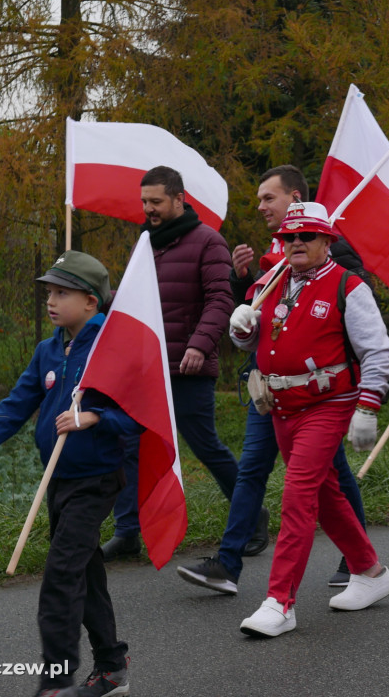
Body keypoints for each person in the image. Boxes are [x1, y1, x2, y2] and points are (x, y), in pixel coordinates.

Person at [0, 251, 137, 697]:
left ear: (90, 301)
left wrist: (95, 418)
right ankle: (112, 665)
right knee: (85, 572)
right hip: (58, 479)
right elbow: (13, 408)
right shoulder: (48, 349)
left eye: (61, 293)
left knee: (61, 575)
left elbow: (140, 415)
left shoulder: (110, 347)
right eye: (49, 292)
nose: (50, 301)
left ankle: (55, 682)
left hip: (97, 479)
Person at [176, 167, 368, 594]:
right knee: (253, 471)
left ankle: (352, 561)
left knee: (325, 480)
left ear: (294, 197)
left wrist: (364, 402)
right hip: (270, 387)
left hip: (320, 396)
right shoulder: (277, 252)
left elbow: (353, 312)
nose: (260, 207)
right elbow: (260, 319)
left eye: (268, 198)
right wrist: (243, 282)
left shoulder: (334, 252)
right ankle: (228, 565)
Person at [228, 202, 389, 638]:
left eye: (306, 236)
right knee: (325, 493)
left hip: (328, 404)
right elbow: (253, 343)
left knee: (297, 494)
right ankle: (370, 571)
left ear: (327, 240)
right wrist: (243, 330)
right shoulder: (271, 282)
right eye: (289, 237)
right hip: (279, 406)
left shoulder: (347, 284)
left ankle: (280, 601)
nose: (296, 243)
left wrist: (368, 407)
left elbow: (377, 351)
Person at [101, 165, 238, 562]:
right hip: (146, 369)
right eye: (145, 202)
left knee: (204, 446)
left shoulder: (209, 242)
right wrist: (98, 300)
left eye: (156, 201)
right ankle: (127, 532)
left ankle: (250, 515)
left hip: (188, 369)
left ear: (179, 198)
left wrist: (199, 345)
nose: (149, 209)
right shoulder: (145, 243)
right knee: (129, 445)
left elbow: (220, 300)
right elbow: (133, 299)